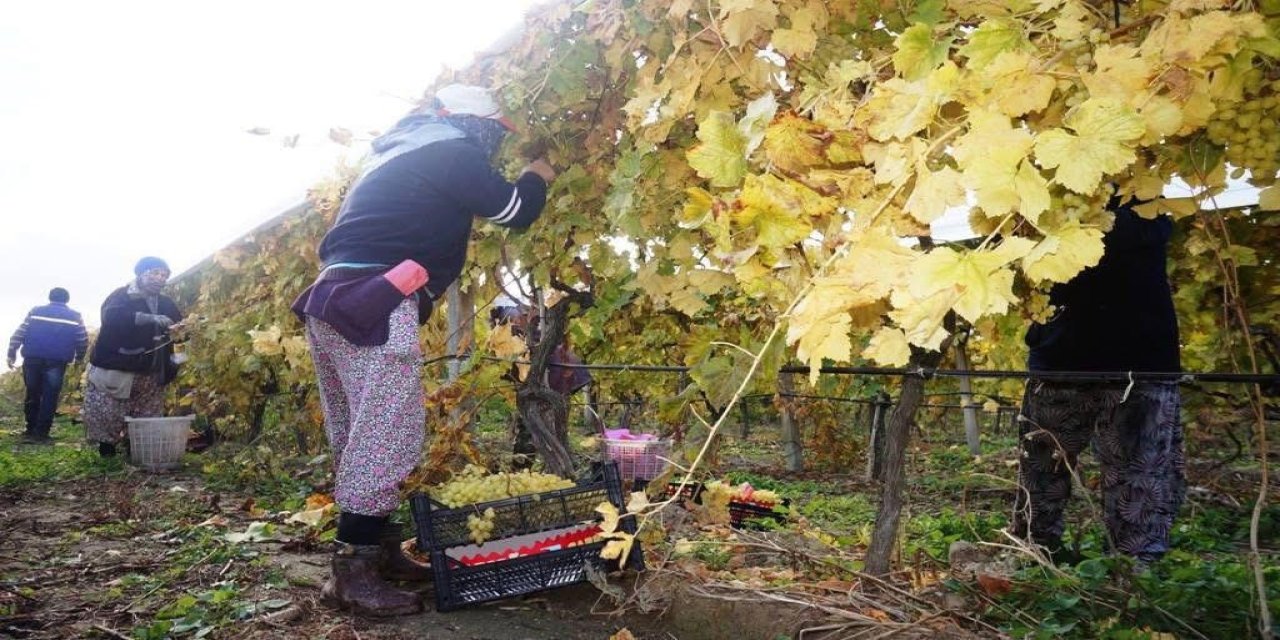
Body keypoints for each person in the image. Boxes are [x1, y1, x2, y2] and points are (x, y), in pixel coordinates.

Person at [292, 84, 557, 616]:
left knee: (360, 431)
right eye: (495, 132)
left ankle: (379, 551)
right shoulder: (450, 149)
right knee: (387, 431)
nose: (494, 142)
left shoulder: (400, 152)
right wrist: (539, 174)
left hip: (336, 298)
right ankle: (353, 573)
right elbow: (513, 210)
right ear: (469, 121)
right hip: (376, 299)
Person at [1014, 197, 1184, 568]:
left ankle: (1133, 574)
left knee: (1138, 476)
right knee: (1042, 469)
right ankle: (1034, 555)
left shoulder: (1147, 197)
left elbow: (1132, 232)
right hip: (1062, 359)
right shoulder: (1047, 191)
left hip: (1139, 366)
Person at [83, 257, 184, 457]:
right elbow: (111, 318)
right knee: (109, 409)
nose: (160, 278)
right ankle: (107, 451)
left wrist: (182, 330)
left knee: (147, 412)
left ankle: (136, 451)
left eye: (164, 275)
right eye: (155, 273)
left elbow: (177, 327)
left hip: (151, 369)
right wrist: (149, 318)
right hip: (118, 367)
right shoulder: (121, 296)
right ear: (141, 274)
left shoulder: (166, 303)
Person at [6, 288, 89, 443]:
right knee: (50, 397)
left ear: (50, 297)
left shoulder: (36, 312)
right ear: (67, 300)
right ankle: (41, 434)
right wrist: (79, 359)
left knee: (33, 393)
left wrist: (11, 354)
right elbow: (82, 340)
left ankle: (30, 429)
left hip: (32, 358)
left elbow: (19, 333)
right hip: (56, 361)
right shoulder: (75, 316)